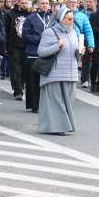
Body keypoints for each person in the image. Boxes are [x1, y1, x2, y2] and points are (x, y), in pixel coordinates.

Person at [37, 7, 80, 135]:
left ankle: (63, 126)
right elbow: (41, 52)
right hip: (54, 74)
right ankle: (57, 128)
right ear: (61, 19)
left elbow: (73, 53)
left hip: (70, 74)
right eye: (69, 19)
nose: (71, 21)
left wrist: (79, 52)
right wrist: (57, 46)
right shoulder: (50, 32)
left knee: (68, 103)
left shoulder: (73, 32)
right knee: (56, 103)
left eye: (73, 19)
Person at [22, 0, 51, 113]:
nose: (45, 5)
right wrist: (41, 39)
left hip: (47, 54)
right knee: (32, 81)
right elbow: (25, 35)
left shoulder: (52, 18)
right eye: (42, 3)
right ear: (38, 5)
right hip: (33, 53)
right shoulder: (30, 18)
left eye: (46, 3)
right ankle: (34, 105)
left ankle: (44, 104)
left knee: (45, 81)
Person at [5, 0, 31, 100]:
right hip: (14, 45)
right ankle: (17, 91)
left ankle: (21, 84)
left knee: (25, 68)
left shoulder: (30, 14)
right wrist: (6, 47)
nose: (24, 5)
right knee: (15, 68)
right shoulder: (10, 14)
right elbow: (6, 30)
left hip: (26, 45)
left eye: (26, 3)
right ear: (18, 3)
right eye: (23, 3)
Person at [65, 0, 95, 88]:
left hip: (80, 42)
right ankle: (66, 78)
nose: (73, 4)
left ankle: (84, 79)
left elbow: (88, 31)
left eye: (75, 2)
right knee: (67, 61)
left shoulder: (82, 16)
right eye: (71, 2)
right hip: (65, 42)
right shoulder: (61, 14)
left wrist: (91, 44)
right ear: (66, 3)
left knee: (84, 60)